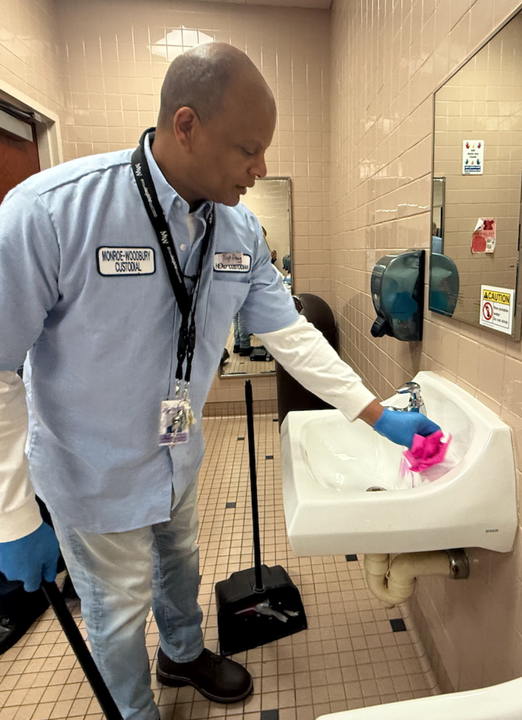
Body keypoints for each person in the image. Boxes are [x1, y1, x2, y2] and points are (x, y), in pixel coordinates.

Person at [0, 43, 440, 720]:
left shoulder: (238, 231)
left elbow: (291, 333)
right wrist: (13, 514)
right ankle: (137, 712)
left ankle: (181, 653)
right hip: (89, 473)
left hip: (174, 452)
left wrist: (376, 413)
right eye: (248, 149)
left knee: (181, 566)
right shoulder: (53, 213)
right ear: (185, 126)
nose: (261, 168)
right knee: (116, 613)